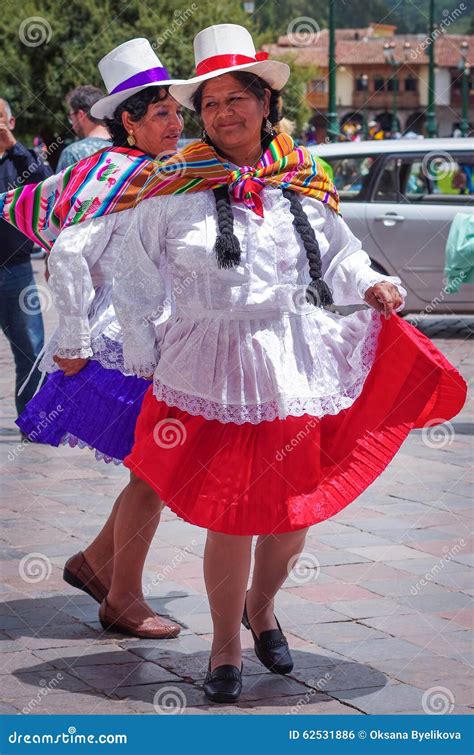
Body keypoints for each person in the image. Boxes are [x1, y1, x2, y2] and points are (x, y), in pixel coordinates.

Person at [111, 24, 467, 704]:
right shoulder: (170, 184)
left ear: (265, 103)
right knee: (232, 514)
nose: (223, 113)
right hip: (209, 371)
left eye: (236, 98)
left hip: (290, 362)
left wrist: (372, 284)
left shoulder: (301, 177)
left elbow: (340, 252)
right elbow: (131, 276)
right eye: (210, 102)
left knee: (292, 516)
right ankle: (224, 649)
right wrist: (142, 342)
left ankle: (262, 604)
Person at [14, 39, 185, 639]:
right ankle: (122, 597)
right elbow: (68, 254)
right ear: (128, 123)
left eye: (175, 110)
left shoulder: (162, 171)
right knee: (156, 469)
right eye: (159, 112)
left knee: (155, 468)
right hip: (122, 346)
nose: (174, 121)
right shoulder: (114, 175)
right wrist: (75, 336)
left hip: (161, 343)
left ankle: (96, 564)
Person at [0, 97, 52, 418]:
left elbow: (48, 186)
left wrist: (14, 147)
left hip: (15, 270)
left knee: (31, 350)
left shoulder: (22, 161)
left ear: (11, 122)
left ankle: (32, 421)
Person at [56, 86, 112, 171]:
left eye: (71, 117)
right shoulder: (125, 145)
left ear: (81, 115)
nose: (72, 125)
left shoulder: (72, 153)